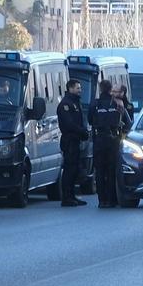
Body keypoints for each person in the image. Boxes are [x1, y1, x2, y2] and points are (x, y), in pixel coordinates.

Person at [89, 80, 130, 207]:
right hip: (114, 139)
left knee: (100, 171)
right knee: (112, 170)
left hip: (99, 139)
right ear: (110, 89)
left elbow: (90, 120)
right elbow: (127, 122)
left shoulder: (95, 104)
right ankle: (112, 199)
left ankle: (102, 200)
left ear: (100, 89)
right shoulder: (118, 103)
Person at [56, 77, 90, 206]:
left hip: (75, 140)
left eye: (80, 88)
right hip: (69, 141)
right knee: (69, 170)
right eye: (78, 88)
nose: (80, 90)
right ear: (70, 88)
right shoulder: (66, 104)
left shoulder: (75, 102)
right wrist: (82, 132)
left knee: (74, 169)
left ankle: (72, 196)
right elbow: (69, 124)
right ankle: (66, 197)